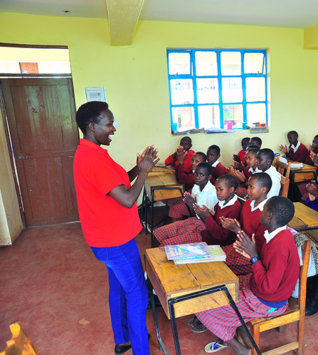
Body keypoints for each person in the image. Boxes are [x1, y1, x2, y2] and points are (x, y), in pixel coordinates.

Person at [73, 101, 157, 355]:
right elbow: (129, 199)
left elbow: (116, 186)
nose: (113, 129)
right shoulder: (93, 159)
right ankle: (140, 350)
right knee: (138, 295)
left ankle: (123, 339)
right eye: (109, 124)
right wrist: (143, 173)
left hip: (107, 240)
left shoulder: (92, 152)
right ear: (91, 126)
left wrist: (139, 169)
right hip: (114, 242)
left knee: (119, 287)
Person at [195, 197, 300, 354]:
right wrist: (253, 254)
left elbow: (268, 287)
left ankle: (240, 348)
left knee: (200, 306)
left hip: (267, 302)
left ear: (270, 215)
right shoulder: (275, 234)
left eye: (264, 210)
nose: (261, 213)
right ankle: (231, 324)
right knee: (219, 283)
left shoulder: (280, 244)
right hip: (256, 286)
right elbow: (266, 266)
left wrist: (253, 257)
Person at [154, 174, 241, 246]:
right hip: (205, 232)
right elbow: (216, 221)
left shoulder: (234, 208)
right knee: (163, 233)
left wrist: (207, 216)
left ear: (231, 189)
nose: (218, 193)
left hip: (211, 241)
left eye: (221, 190)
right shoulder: (222, 202)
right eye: (217, 189)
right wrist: (207, 214)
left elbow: (222, 236)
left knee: (166, 244)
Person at [220, 172, 271, 275]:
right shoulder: (248, 203)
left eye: (251, 187)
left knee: (220, 268)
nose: (247, 190)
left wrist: (237, 230)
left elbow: (258, 246)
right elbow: (243, 228)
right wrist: (235, 226)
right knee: (213, 257)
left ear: (263, 189)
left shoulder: (266, 213)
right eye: (248, 186)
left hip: (251, 255)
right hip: (239, 245)